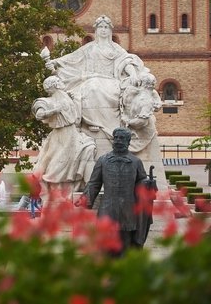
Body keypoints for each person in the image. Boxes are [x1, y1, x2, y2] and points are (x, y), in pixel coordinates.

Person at [45, 16, 147, 151]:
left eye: (106, 27)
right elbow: (72, 58)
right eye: (100, 27)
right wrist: (56, 62)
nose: (103, 30)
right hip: (90, 79)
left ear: (110, 31)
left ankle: (102, 126)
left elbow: (126, 61)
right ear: (96, 30)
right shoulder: (89, 48)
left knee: (93, 87)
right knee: (84, 90)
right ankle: (92, 124)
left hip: (111, 82)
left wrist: (133, 74)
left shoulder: (115, 48)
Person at [78, 127, 150, 253]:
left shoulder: (136, 162)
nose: (118, 141)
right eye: (116, 138)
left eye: (122, 138)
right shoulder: (103, 160)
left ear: (128, 141)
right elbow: (94, 182)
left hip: (128, 209)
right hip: (108, 207)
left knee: (126, 244)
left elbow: (142, 182)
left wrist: (147, 184)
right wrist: (86, 199)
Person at [31, 75, 96, 193]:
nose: (61, 82)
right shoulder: (47, 101)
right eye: (58, 80)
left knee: (88, 149)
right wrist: (54, 110)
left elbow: (75, 116)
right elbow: (39, 115)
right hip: (61, 136)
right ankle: (57, 189)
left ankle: (87, 186)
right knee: (58, 164)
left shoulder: (66, 97)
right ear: (54, 85)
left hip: (73, 134)